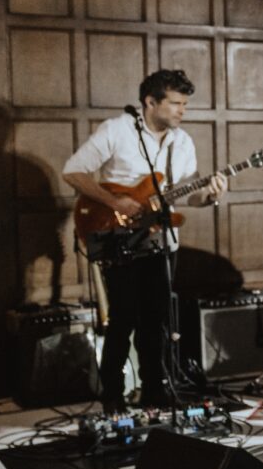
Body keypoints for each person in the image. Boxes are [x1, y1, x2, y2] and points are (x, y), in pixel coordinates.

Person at [63, 69, 226, 412]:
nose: (183, 111)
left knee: (157, 321)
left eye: (185, 104)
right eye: (176, 103)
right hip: (117, 237)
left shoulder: (182, 142)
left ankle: (155, 391)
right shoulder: (117, 130)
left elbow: (188, 194)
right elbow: (74, 171)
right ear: (150, 103)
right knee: (122, 319)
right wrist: (115, 202)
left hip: (161, 241)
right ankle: (112, 397)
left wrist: (209, 195)